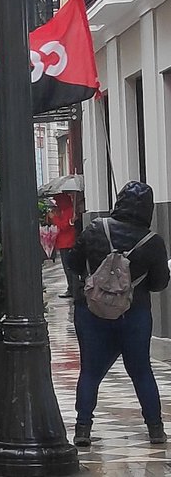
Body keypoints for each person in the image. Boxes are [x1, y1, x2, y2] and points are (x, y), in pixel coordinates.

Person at [68, 181, 169, 447]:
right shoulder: (153, 242)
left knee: (89, 370)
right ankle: (155, 429)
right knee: (141, 370)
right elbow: (159, 283)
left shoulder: (94, 229)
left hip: (91, 312)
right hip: (134, 315)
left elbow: (73, 262)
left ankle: (83, 429)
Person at [51, 192, 78, 297]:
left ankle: (72, 289)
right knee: (67, 268)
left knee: (69, 268)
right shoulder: (64, 211)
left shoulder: (69, 211)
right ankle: (71, 288)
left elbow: (64, 226)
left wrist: (55, 218)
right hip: (64, 243)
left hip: (67, 243)